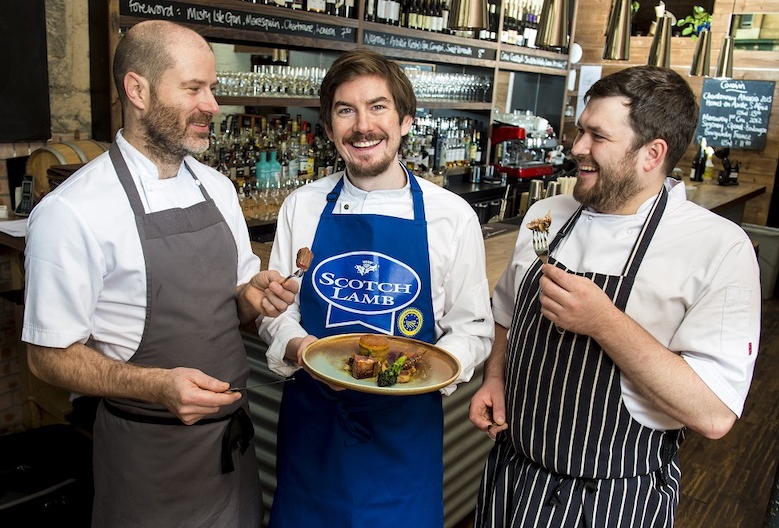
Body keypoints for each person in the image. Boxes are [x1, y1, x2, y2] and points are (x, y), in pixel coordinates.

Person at [21, 20, 298, 528]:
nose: (213, 105)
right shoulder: (73, 211)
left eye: (212, 88)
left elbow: (232, 304)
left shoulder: (217, 187)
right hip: (148, 458)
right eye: (194, 88)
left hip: (232, 450)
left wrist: (251, 297)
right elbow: (47, 357)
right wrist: (156, 386)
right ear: (137, 90)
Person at [469, 65, 761, 527]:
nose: (576, 147)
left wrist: (605, 322)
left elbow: (713, 412)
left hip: (614, 498)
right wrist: (495, 378)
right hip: (512, 475)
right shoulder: (547, 215)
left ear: (652, 153)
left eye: (596, 137)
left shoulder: (718, 248)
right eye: (580, 131)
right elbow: (505, 311)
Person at [257, 48, 494, 527]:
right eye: (346, 110)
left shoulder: (451, 217)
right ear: (328, 129)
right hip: (314, 427)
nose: (362, 126)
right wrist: (300, 345)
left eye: (378, 107)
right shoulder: (302, 206)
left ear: (406, 120)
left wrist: (428, 366)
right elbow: (274, 311)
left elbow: (473, 328)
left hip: (404, 434)